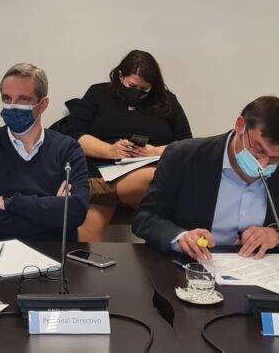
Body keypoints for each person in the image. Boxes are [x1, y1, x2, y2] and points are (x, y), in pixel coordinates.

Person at [133, 96, 279, 261]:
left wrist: (277, 235)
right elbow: (146, 218)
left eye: (276, 158)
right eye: (258, 149)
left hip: (263, 277)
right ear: (240, 126)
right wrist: (181, 237)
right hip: (190, 270)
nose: (263, 165)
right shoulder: (183, 156)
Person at [52, 50, 193, 242]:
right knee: (88, 226)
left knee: (154, 178)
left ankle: (87, 190)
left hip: (146, 171)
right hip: (101, 168)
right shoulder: (98, 93)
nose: (138, 92)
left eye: (145, 89)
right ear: (120, 75)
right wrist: (110, 150)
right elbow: (74, 135)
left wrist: (154, 151)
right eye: (132, 86)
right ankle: (91, 191)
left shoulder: (166, 100)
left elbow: (186, 145)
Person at [0, 63, 90, 242]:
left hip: (51, 252)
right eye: (7, 99)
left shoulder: (68, 149)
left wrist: (8, 202)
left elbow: (75, 213)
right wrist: (51, 216)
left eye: (23, 100)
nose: (12, 106)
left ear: (43, 104)